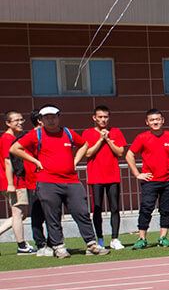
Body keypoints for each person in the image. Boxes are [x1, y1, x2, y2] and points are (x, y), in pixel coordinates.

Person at [10, 105, 108, 258]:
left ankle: (91, 244)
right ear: (40, 120)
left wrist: (75, 161)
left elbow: (84, 144)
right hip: (47, 181)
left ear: (58, 117)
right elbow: (15, 149)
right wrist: (35, 161)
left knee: (81, 212)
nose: (51, 120)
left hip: (72, 181)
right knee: (52, 216)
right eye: (47, 118)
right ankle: (59, 247)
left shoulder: (67, 132)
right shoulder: (36, 134)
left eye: (53, 117)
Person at [124, 109, 169, 248]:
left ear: (162, 120)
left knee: (166, 209)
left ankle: (163, 237)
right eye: (152, 120)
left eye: (157, 119)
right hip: (150, 181)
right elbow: (129, 155)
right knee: (146, 209)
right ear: (147, 122)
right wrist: (137, 174)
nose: (155, 122)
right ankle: (142, 238)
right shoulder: (142, 137)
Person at [79, 105, 127, 250]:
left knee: (114, 208)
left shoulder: (116, 132)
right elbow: (87, 153)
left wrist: (108, 140)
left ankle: (115, 238)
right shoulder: (87, 133)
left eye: (105, 117)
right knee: (97, 209)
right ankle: (99, 239)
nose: (103, 120)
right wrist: (100, 140)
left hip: (113, 176)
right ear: (94, 118)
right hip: (96, 176)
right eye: (100, 117)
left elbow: (120, 152)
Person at [0, 110, 36, 254]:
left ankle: (22, 244)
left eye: (21, 120)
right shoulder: (7, 139)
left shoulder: (14, 137)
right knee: (18, 214)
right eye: (16, 120)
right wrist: (11, 184)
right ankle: (21, 245)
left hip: (17, 180)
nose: (20, 123)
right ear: (7, 123)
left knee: (21, 214)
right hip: (14, 181)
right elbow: (8, 162)